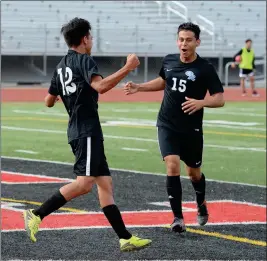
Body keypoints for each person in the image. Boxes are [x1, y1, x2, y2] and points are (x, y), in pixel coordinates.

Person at [22, 17, 151, 252]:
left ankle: (125, 238)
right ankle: (36, 213)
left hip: (80, 131)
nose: (91, 41)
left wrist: (65, 94)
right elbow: (100, 87)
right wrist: (127, 68)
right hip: (86, 131)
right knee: (84, 184)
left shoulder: (61, 66)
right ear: (84, 39)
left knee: (105, 185)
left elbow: (48, 101)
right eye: (90, 37)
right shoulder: (84, 60)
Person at [123, 22, 225, 233]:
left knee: (194, 174)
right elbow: (163, 81)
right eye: (181, 39)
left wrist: (201, 103)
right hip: (167, 124)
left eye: (188, 40)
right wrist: (139, 87)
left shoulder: (205, 69)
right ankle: (177, 218)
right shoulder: (169, 60)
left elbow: (220, 99)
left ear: (197, 42)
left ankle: (201, 202)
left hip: (192, 129)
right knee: (172, 165)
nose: (183, 44)